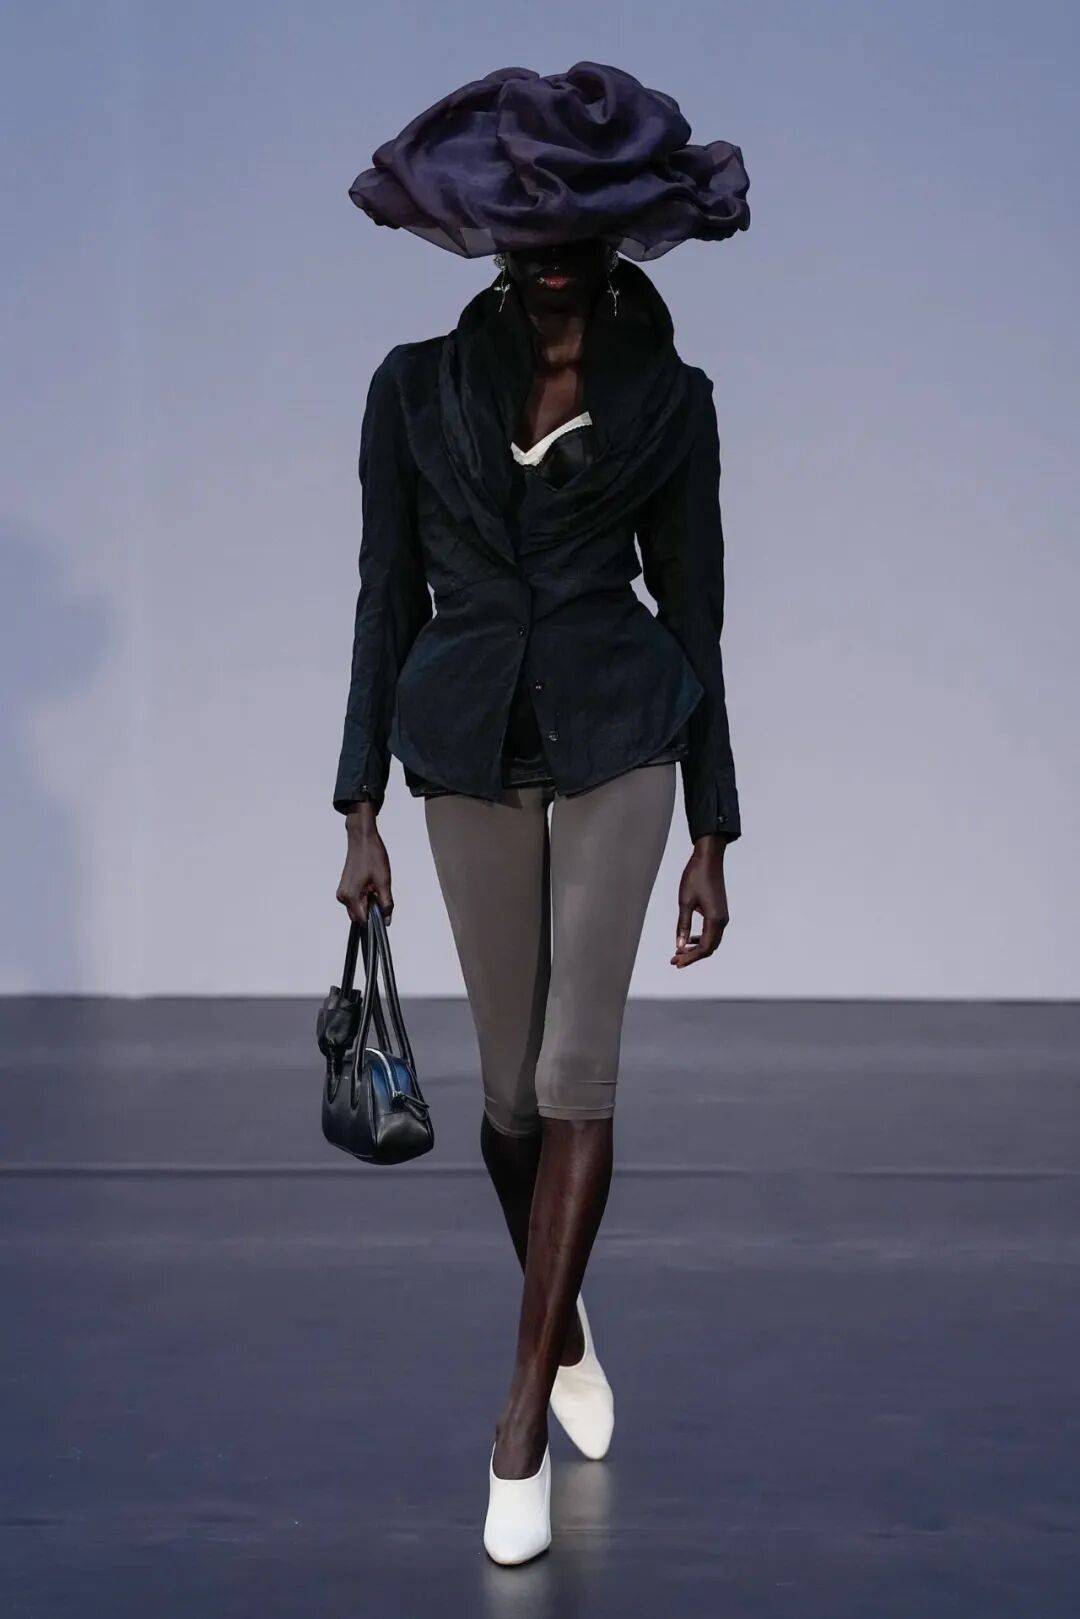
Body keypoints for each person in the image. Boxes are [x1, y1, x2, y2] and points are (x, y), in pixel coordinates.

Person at [332, 61, 749, 1564]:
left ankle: (516, 1416)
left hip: (625, 732)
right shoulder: (412, 388)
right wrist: (357, 805)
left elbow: (695, 614)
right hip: (463, 744)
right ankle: (561, 1325)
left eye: (578, 218)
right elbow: (385, 598)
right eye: (528, 217)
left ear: (618, 225)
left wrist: (715, 827)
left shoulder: (672, 403)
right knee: (507, 1100)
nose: (551, 244)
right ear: (492, 227)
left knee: (578, 1072)